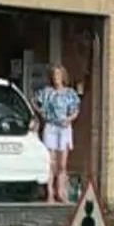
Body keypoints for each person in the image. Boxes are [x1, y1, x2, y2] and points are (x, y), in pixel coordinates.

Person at [36, 65, 80, 203]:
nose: (56, 78)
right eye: (54, 75)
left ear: (63, 77)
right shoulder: (47, 92)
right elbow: (35, 102)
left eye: (59, 75)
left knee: (62, 164)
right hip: (51, 127)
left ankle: (61, 192)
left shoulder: (70, 93)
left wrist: (70, 119)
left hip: (64, 128)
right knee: (51, 162)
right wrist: (43, 114)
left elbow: (75, 110)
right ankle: (50, 192)